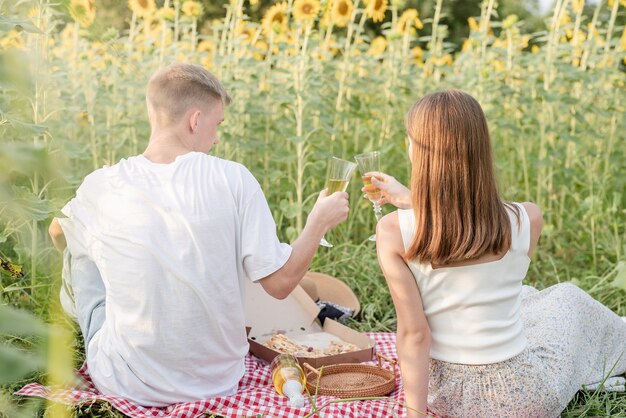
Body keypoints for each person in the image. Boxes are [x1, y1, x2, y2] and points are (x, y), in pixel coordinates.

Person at [47, 63, 350, 406]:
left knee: (74, 236)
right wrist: (318, 222)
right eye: (217, 124)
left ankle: (94, 332)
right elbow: (280, 284)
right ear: (194, 120)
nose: (217, 137)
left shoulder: (102, 185)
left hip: (126, 381)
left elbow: (55, 233)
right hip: (218, 382)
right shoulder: (234, 179)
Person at [369, 90, 626, 417]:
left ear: (418, 152)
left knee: (531, 299)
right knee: (566, 299)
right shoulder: (528, 218)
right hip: (521, 398)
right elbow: (472, 231)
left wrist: (415, 413)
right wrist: (414, 201)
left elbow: (415, 334)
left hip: (445, 395)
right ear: (481, 149)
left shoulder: (392, 232)